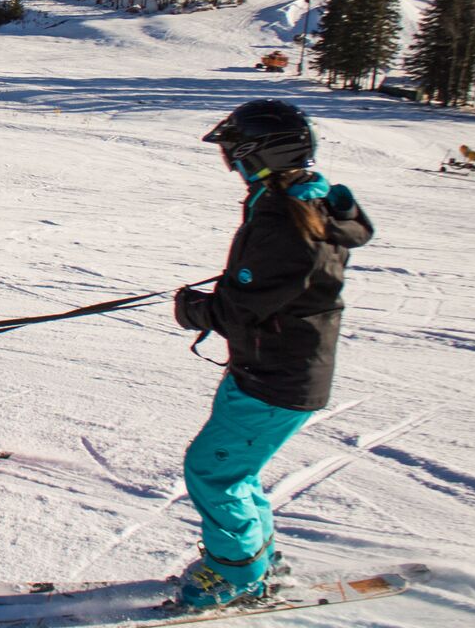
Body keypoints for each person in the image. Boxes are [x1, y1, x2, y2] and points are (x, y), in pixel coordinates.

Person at [171, 100, 374, 610]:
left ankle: (236, 572)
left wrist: (196, 311)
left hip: (274, 378)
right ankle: (257, 558)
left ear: (263, 154)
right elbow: (263, 289)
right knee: (236, 471)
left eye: (236, 153)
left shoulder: (287, 220)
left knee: (213, 471)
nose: (232, 163)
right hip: (276, 370)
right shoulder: (299, 202)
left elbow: (244, 307)